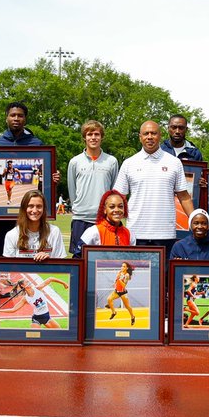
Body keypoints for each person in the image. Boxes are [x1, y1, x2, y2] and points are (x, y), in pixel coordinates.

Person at [0, 101, 61, 255]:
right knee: (2, 255)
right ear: (6, 118)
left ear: (25, 119)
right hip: (1, 217)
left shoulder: (37, 144)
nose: (16, 118)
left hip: (30, 214)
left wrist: (52, 178)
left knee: (29, 251)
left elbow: (45, 173)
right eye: (12, 115)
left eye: (20, 116)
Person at [113, 121, 193, 249]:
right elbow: (117, 197)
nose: (149, 137)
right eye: (146, 134)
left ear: (160, 135)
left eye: (153, 133)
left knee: (165, 270)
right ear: (140, 137)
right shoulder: (129, 163)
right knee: (133, 270)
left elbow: (184, 197)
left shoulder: (174, 162)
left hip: (165, 235)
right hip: (135, 233)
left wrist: (194, 218)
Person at [67, 120, 119, 255]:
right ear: (84, 137)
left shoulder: (111, 161)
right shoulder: (75, 161)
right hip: (81, 218)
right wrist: (78, 207)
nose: (93, 137)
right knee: (79, 258)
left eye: (97, 134)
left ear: (102, 137)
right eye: (90, 134)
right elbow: (72, 189)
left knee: (104, 258)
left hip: (103, 219)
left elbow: (114, 190)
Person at [3, 189, 66, 260]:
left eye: (39, 206)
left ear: (44, 209)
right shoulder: (12, 235)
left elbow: (61, 267)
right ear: (24, 208)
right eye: (30, 206)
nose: (35, 210)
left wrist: (49, 260)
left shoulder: (54, 232)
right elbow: (8, 268)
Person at [0, 275, 69, 328]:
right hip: (37, 319)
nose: (29, 282)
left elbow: (50, 279)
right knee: (35, 337)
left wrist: (64, 283)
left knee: (59, 332)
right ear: (22, 285)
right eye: (27, 282)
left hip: (47, 317)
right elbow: (13, 309)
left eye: (28, 281)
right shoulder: (25, 298)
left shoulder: (38, 288)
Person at [104, 262, 137, 326]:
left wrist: (120, 280)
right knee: (109, 299)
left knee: (127, 307)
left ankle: (132, 317)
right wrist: (115, 282)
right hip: (117, 291)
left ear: (127, 268)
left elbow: (124, 285)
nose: (122, 267)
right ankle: (114, 312)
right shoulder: (119, 272)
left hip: (123, 292)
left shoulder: (127, 275)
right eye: (122, 266)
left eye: (124, 266)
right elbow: (116, 280)